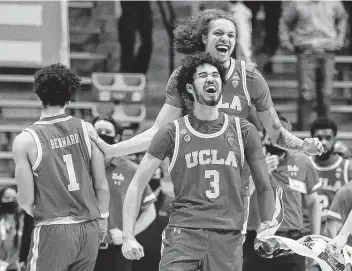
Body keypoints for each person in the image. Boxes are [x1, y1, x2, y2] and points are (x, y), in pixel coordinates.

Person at [90, 9, 323, 160]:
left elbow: (276, 134)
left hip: (234, 176)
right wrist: (112, 149)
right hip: (192, 171)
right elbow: (156, 132)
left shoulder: (250, 78)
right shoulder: (183, 75)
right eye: (219, 33)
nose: (226, 39)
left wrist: (303, 145)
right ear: (204, 38)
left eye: (231, 35)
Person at [121, 53, 276, 271]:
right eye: (203, 75)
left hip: (227, 236)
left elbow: (263, 186)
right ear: (190, 89)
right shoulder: (171, 132)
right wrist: (128, 236)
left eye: (215, 75)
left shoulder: (245, 131)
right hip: (183, 233)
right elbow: (136, 185)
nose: (211, 79)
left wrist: (267, 223)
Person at [12, 64, 110, 271]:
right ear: (70, 97)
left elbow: (25, 199)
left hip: (54, 227)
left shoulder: (25, 140)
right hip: (89, 229)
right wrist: (102, 219)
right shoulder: (87, 129)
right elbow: (101, 185)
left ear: (38, 94)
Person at [243, 116, 322, 271]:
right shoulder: (248, 160)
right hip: (257, 239)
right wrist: (260, 172)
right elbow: (239, 197)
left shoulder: (303, 161)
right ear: (263, 137)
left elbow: (313, 203)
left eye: (282, 139)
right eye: (271, 138)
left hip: (292, 241)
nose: (276, 143)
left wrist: (315, 243)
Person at [91, 116, 156, 271]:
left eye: (107, 132)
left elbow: (150, 211)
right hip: (82, 250)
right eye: (98, 132)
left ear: (118, 138)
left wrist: (127, 235)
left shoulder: (131, 170)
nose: (102, 135)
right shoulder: (79, 167)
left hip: (115, 252)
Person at [279, 1, 347, 130]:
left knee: (326, 94)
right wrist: (285, 41)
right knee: (306, 94)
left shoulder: (333, 2)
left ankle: (325, 131)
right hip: (305, 51)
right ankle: (304, 133)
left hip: (328, 51)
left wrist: (340, 39)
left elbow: (342, 18)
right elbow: (284, 21)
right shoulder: (297, 3)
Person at [309, 118, 352, 232]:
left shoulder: (347, 167)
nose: (323, 142)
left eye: (328, 138)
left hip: (338, 234)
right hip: (308, 232)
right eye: (318, 138)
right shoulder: (304, 164)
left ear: (335, 139)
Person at [114, 0, 153, 73]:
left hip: (144, 4)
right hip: (127, 4)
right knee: (128, 44)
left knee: (147, 43)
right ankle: (127, 74)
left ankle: (138, 73)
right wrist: (118, 7)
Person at [0, 186, 24, 271]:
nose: (11, 201)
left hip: (12, 267)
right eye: (7, 198)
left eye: (14, 198)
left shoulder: (21, 222)